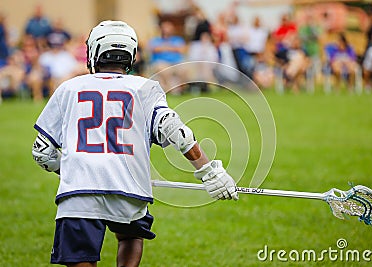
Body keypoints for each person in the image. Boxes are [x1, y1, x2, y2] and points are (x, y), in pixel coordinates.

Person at [31, 20, 238, 267]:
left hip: (78, 194)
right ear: (130, 54)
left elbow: (42, 151)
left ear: (94, 51)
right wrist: (208, 172)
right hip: (128, 187)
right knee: (130, 235)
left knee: (80, 256)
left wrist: (72, 170)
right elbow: (175, 130)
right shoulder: (145, 87)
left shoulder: (69, 88)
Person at [148, 20, 186, 94]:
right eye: (165, 27)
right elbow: (155, 49)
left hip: (176, 62)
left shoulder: (178, 39)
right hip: (161, 62)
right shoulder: (155, 40)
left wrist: (164, 47)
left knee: (184, 69)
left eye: (169, 27)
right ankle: (170, 89)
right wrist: (173, 48)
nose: (167, 30)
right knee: (165, 70)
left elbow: (182, 49)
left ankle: (179, 89)